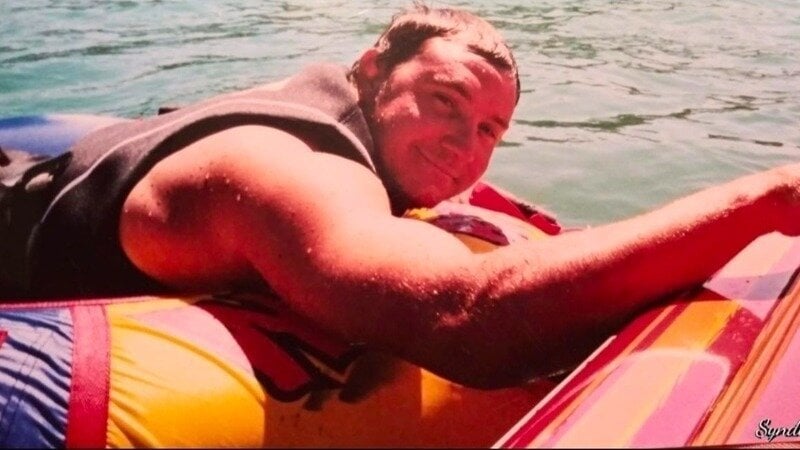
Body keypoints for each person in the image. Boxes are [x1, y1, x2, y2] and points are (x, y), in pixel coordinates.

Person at [2, 5, 800, 389]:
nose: (465, 146)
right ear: (372, 68)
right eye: (446, 102)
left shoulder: (322, 118)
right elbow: (466, 317)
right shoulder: (286, 166)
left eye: (490, 130)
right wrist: (768, 199)